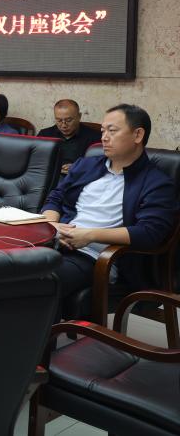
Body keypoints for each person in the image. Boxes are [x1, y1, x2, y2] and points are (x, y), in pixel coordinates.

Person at [41, 104, 177, 305]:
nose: (104, 137)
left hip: (96, 258)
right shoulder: (86, 165)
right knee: (5, 270)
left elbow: (149, 232)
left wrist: (90, 235)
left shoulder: (156, 183)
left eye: (112, 131)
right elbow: (56, 198)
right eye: (103, 131)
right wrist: (51, 225)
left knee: (38, 281)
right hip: (55, 244)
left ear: (138, 135)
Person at [38, 99, 101, 176]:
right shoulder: (45, 135)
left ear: (79, 116)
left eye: (68, 120)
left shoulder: (95, 137)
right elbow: (36, 162)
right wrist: (56, 168)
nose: (64, 125)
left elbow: (101, 163)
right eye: (59, 120)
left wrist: (80, 167)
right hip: (51, 177)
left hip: (81, 177)